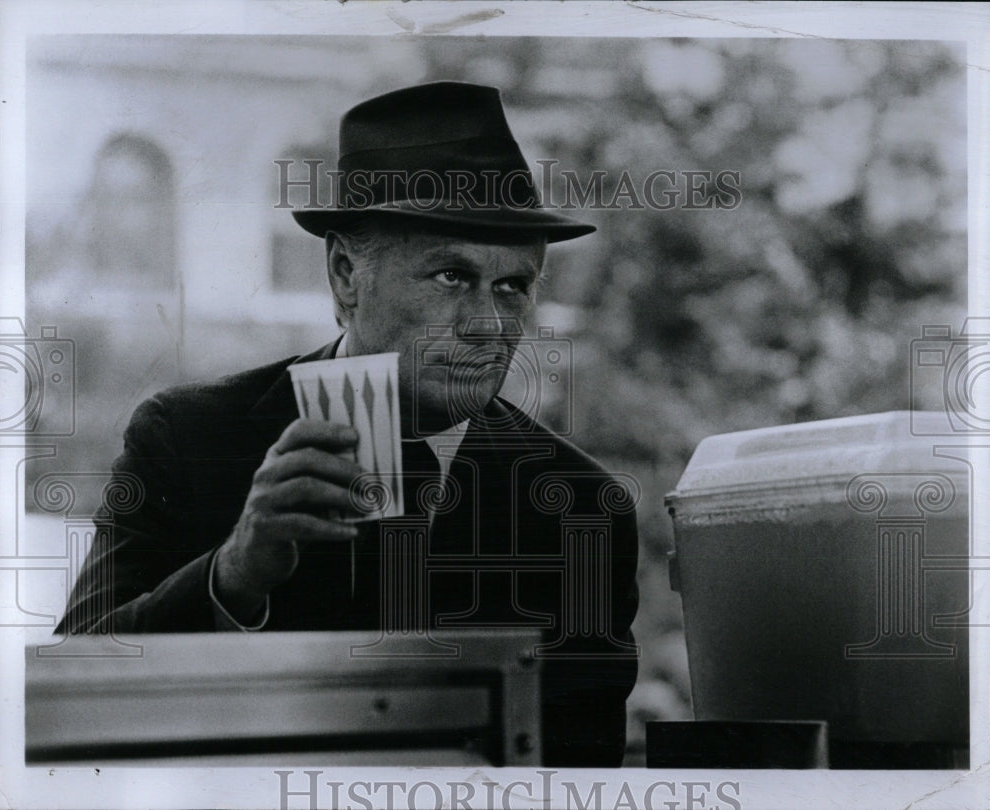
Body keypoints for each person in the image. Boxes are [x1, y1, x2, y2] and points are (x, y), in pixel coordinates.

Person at [57, 81, 640, 767]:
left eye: (512, 287)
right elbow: (70, 692)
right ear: (344, 276)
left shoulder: (578, 508)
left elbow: (580, 778)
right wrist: (231, 576)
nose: (488, 325)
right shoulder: (189, 440)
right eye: (451, 277)